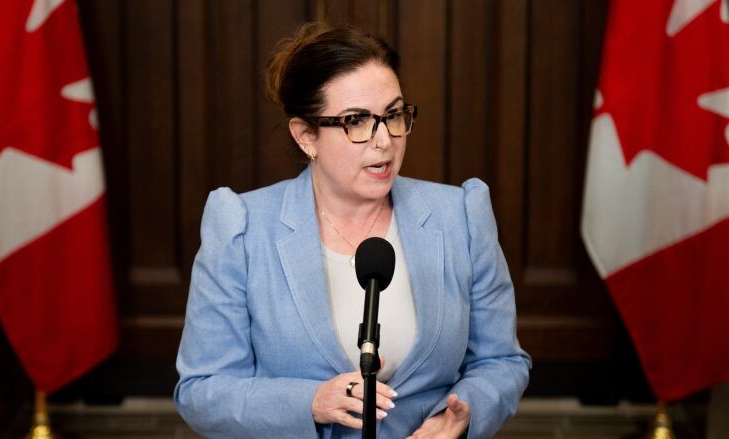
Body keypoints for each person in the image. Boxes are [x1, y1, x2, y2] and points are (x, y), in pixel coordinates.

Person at [174, 22, 531, 439]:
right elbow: (202, 391)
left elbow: (502, 361)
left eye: (394, 115)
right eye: (356, 121)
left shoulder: (460, 215)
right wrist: (309, 402)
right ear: (306, 136)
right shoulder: (242, 227)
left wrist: (461, 416)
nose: (383, 141)